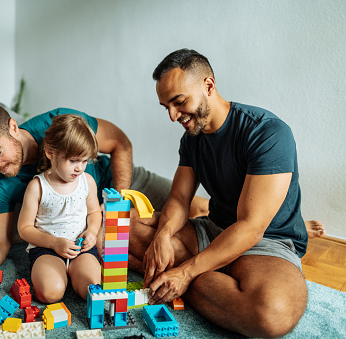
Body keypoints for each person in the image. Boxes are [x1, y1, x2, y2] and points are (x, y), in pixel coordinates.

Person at [0, 99, 184, 309]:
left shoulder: (59, 123)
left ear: (13, 127)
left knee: (190, 210)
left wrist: (116, 207)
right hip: (67, 238)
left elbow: (121, 144)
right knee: (151, 240)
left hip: (118, 179)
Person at [128, 49, 310, 338]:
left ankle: (183, 278)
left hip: (265, 243)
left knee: (272, 315)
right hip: (213, 231)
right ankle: (209, 282)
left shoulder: (267, 133)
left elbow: (251, 228)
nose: (173, 115)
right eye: (166, 107)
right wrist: (163, 235)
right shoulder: (192, 138)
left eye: (179, 102)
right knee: (123, 231)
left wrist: (186, 272)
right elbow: (177, 200)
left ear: (208, 86)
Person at [17, 114, 102, 303]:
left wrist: (92, 232)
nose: (80, 168)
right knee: (50, 294)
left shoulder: (87, 181)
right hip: (47, 249)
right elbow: (24, 229)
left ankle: (72, 273)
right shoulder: (38, 186)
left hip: (81, 248)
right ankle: (60, 275)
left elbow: (94, 212)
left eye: (84, 161)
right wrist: (54, 243)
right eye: (73, 161)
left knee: (92, 289)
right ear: (50, 152)